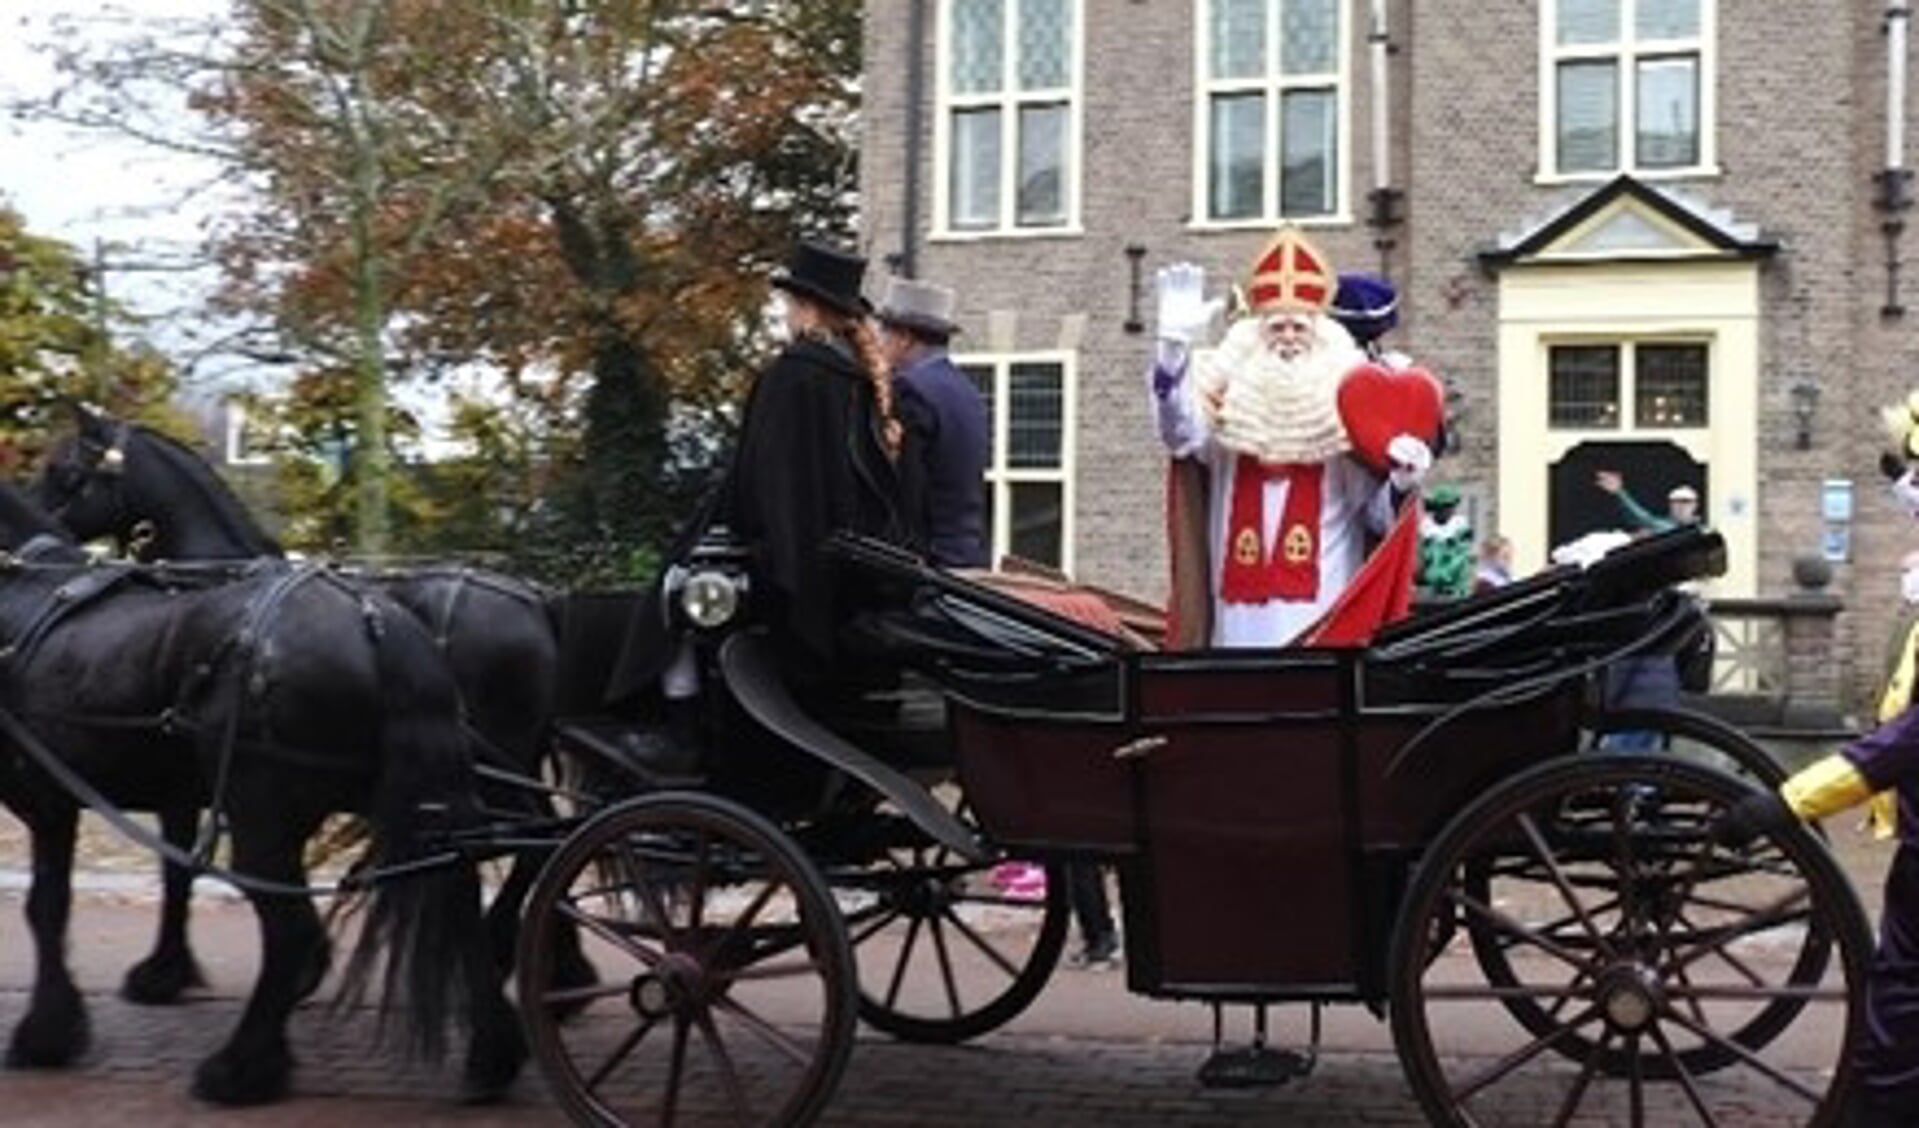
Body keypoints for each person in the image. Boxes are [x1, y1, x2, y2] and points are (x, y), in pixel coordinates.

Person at [604, 240, 910, 743]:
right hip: (840, 565)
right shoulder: (856, 381)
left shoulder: (793, 376)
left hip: (790, 566)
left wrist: (756, 546)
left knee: (671, 589)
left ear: (807, 308)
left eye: (789, 305)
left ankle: (679, 725)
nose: (786, 315)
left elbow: (764, 480)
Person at [1151, 228, 1433, 649]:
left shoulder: (1338, 422)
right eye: (1275, 326)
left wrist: (1402, 482)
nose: (1287, 338)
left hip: (1323, 627)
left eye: (1299, 327)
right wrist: (1173, 351)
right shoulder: (1229, 405)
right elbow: (1179, 433)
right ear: (1254, 334)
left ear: (1320, 334)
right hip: (1235, 629)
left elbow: (1376, 519)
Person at [874, 276, 990, 568]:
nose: (878, 341)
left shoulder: (910, 390)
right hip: (968, 557)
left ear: (905, 338)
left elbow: (908, 486)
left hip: (930, 562)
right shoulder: (968, 391)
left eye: (884, 331)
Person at [1416, 484, 1474, 602]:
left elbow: (1460, 557)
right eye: (1445, 506)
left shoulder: (1460, 526)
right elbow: (1422, 558)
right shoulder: (1425, 528)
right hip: (1430, 591)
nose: (1449, 510)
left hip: (1456, 588)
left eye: (1451, 505)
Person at [1594, 469, 1699, 533]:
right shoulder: (1664, 526)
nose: (1681, 506)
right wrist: (1620, 492)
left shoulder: (1701, 528)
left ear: (1695, 505)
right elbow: (1643, 518)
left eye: (1686, 502)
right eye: (1676, 502)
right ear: (1670, 505)